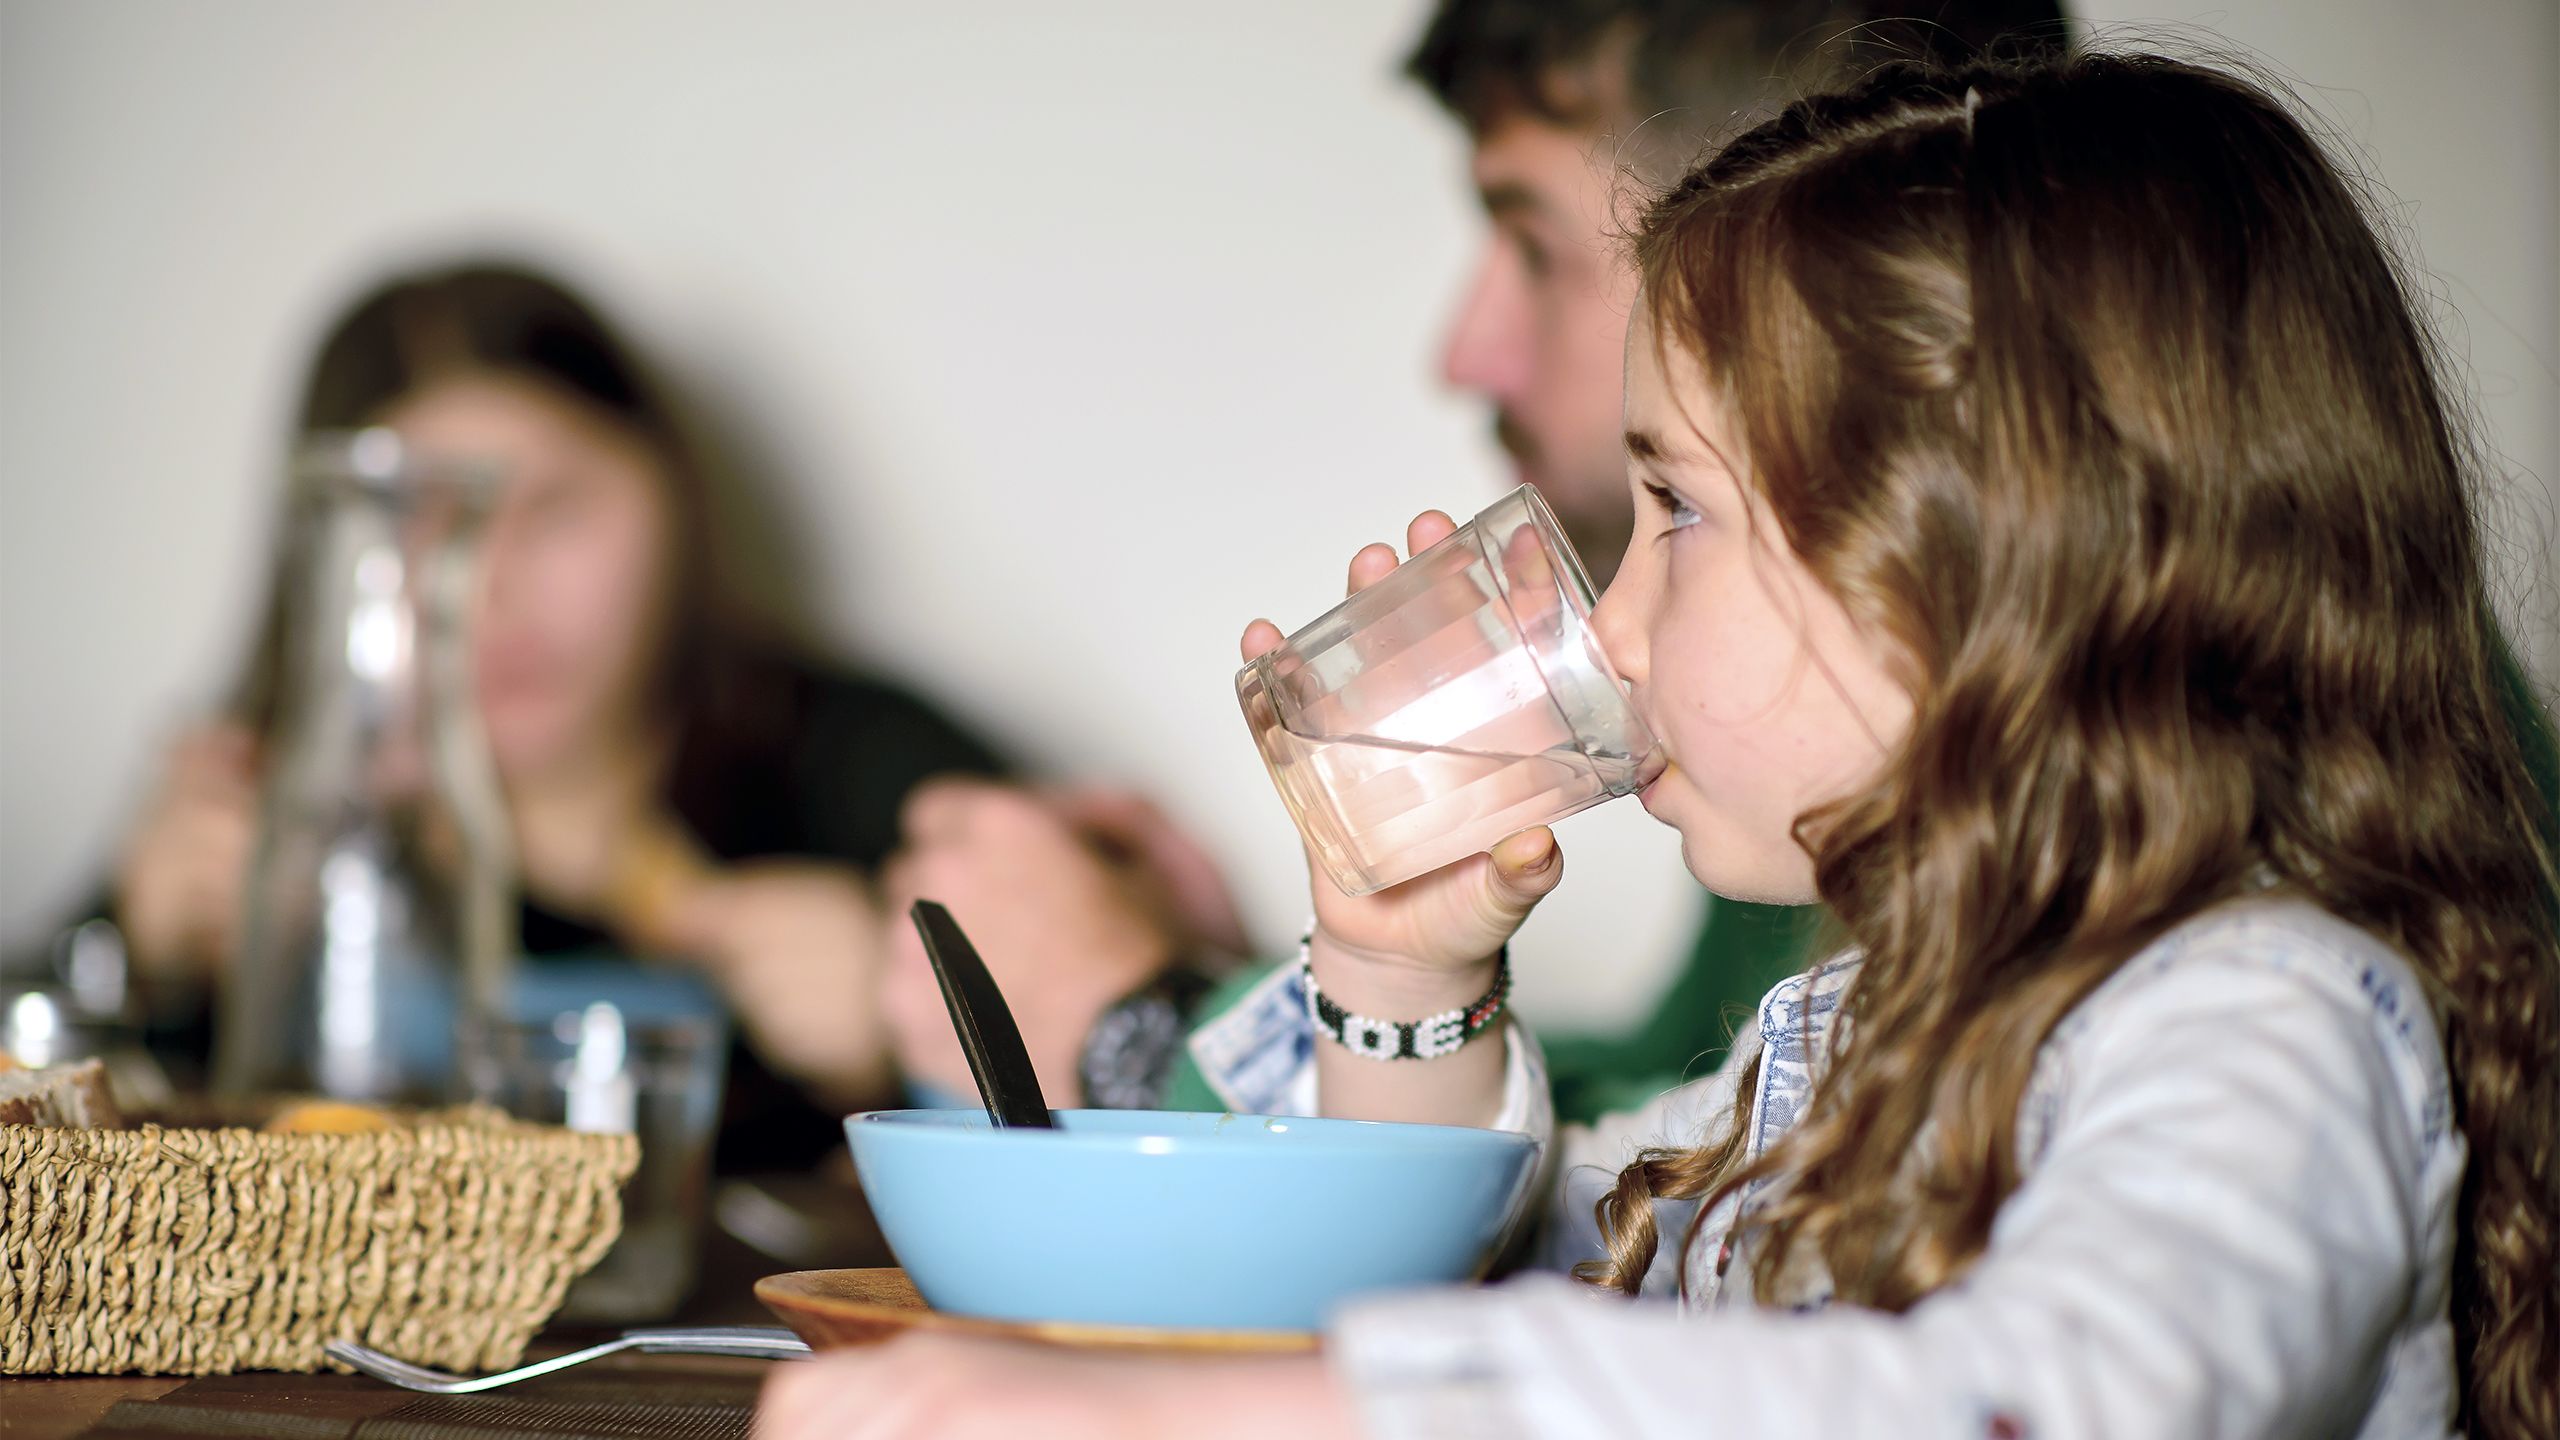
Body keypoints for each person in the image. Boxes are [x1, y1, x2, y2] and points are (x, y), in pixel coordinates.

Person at [762, 51, 2559, 1439]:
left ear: (1980, 563)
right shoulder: (1850, 1041)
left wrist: (1178, 1415)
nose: (1604, 629)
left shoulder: (2267, 1015)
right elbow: (1477, 1269)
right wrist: (1404, 975)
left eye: (1674, 515)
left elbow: (2050, 1398)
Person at [879, 0, 2080, 1127]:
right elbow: (1683, 1135)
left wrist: (1138, 1027)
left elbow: (1645, 1220)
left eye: (1533, 243)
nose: (1466, 351)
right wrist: (1349, 980)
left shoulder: (2129, 934)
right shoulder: (1794, 755)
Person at [80, 262, 1016, 1171]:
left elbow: (1109, 1093)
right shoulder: (261, 802)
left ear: (677, 503)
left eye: (556, 510)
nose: (491, 590)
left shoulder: (875, 774)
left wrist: (911, 1038)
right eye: (419, 523)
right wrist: (131, 957)